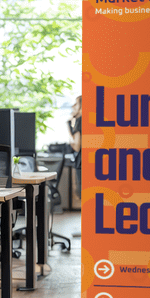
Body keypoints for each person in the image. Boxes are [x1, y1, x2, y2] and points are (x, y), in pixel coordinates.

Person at [69, 96, 82, 237]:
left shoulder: (79, 121)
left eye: (76, 103)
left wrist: (69, 130)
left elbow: (77, 146)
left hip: (82, 161)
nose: (73, 105)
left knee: (83, 195)